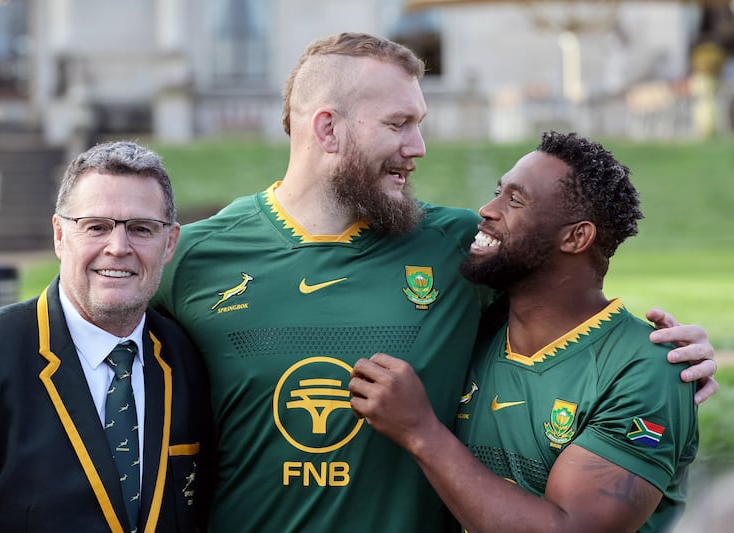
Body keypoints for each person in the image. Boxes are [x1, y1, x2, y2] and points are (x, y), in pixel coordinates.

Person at [151, 33, 715, 532]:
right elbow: (91, 353)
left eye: (419, 125)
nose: (417, 147)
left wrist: (669, 354)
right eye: (399, 124)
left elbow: (567, 298)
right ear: (327, 128)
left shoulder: (459, 244)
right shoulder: (193, 255)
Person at [349, 132, 699, 532]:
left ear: (575, 237)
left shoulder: (645, 369)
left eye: (514, 200)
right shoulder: (474, 330)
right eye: (498, 192)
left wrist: (421, 432)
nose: (487, 209)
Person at [0, 141, 214, 532]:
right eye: (96, 227)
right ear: (60, 235)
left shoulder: (186, 357)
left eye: (141, 229)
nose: (118, 248)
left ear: (169, 243)